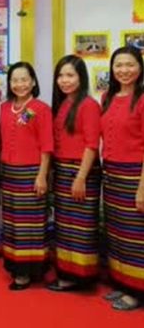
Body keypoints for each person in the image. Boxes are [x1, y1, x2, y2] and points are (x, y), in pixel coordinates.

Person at [48, 55, 101, 292]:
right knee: (65, 226)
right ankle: (68, 274)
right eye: (60, 76)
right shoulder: (63, 104)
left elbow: (92, 145)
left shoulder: (89, 105)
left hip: (81, 172)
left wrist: (81, 177)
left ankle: (83, 278)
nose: (64, 80)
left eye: (70, 75)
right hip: (63, 170)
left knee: (81, 228)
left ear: (81, 78)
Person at [0, 62, 52, 290]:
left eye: (24, 79)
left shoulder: (40, 108)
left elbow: (47, 146)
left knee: (30, 224)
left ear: (32, 82)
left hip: (31, 173)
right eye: (15, 80)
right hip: (8, 173)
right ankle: (16, 265)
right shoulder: (4, 108)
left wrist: (42, 176)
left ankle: (30, 271)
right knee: (12, 222)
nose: (19, 84)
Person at [100, 46, 144, 311]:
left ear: (140, 68)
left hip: (135, 174)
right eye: (119, 65)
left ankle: (137, 291)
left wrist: (142, 188)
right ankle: (123, 282)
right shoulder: (107, 96)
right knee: (117, 231)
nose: (124, 70)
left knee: (135, 235)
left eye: (130, 65)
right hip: (111, 173)